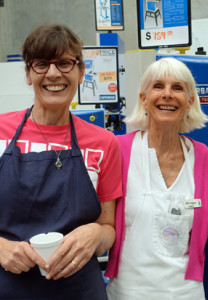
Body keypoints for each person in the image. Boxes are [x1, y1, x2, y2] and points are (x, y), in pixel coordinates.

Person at [0, 24, 122, 299]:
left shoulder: (104, 143)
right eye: (41, 64)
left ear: (80, 72)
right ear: (28, 74)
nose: (53, 73)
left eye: (65, 63)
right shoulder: (0, 132)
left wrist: (95, 233)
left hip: (78, 289)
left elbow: (108, 228)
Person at [105, 57, 208, 299]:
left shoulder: (203, 157)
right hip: (128, 291)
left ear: (190, 102)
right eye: (158, 86)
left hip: (186, 293)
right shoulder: (118, 150)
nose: (167, 95)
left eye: (177, 88)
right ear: (143, 98)